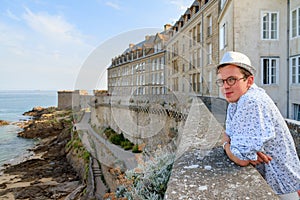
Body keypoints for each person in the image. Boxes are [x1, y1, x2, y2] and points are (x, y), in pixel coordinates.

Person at [216, 51, 300, 200]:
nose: (225, 87)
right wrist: (239, 146)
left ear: (249, 81)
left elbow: (240, 158)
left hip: (283, 187)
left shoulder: (252, 100)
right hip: (274, 183)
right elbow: (229, 134)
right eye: (221, 81)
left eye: (231, 80)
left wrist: (225, 145)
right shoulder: (235, 100)